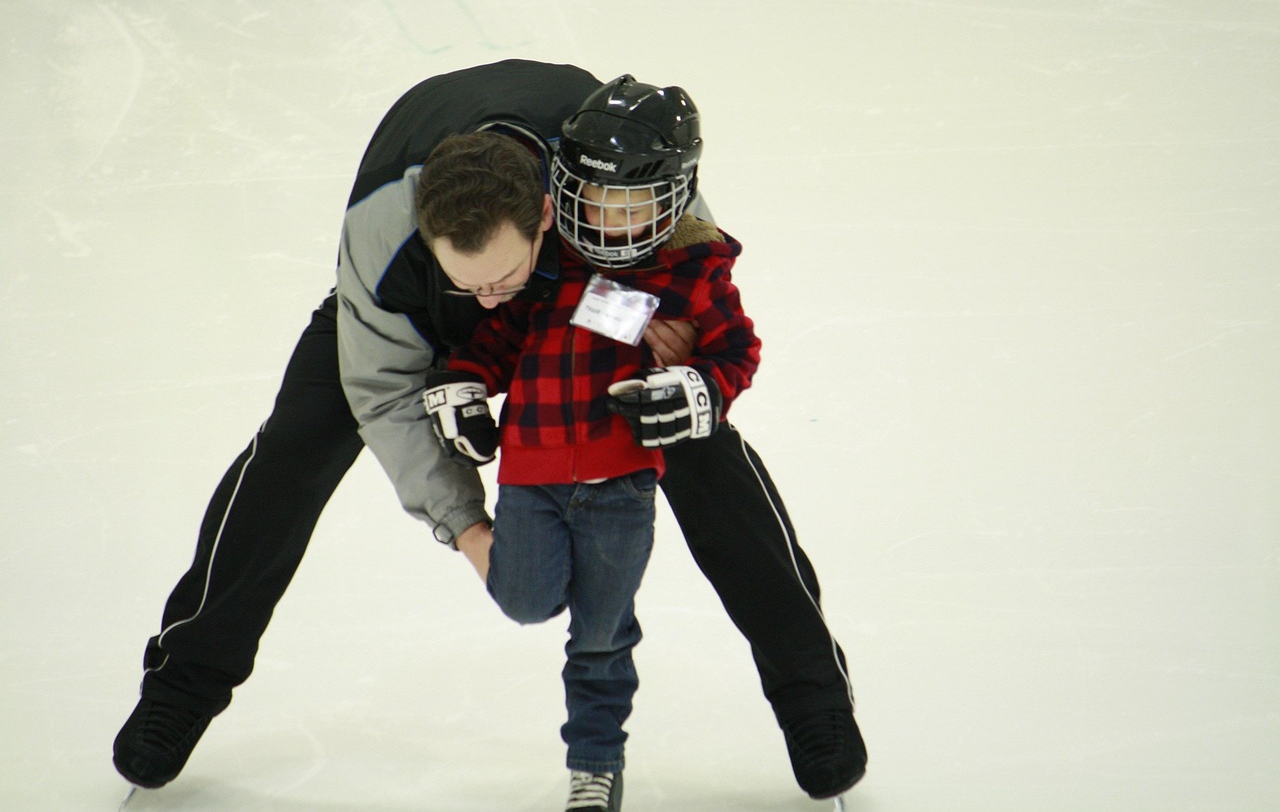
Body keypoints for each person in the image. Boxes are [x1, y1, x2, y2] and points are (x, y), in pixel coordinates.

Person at [113, 59, 865, 801]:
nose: (486, 296)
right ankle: (181, 685)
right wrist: (467, 525)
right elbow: (381, 390)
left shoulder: (614, 164)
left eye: (500, 277)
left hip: (576, 296)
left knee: (703, 452)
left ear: (549, 211)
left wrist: (681, 351)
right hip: (413, 316)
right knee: (291, 452)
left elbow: (694, 280)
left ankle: (814, 697)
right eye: (468, 282)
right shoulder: (385, 228)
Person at [418, 78, 760, 811]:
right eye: (597, 199)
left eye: (631, 204)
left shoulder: (692, 270)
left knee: (601, 638)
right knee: (524, 597)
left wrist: (700, 389)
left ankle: (594, 763)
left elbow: (737, 351)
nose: (609, 219)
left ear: (672, 197)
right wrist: (464, 384)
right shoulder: (550, 261)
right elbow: (501, 337)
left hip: (620, 486)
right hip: (531, 476)